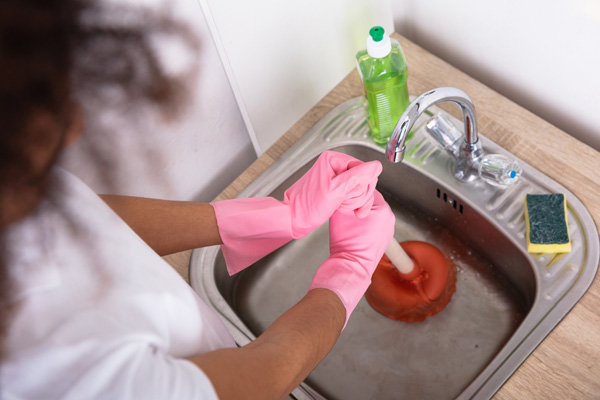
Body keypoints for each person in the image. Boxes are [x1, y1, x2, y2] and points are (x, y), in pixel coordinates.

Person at [0, 0, 395, 399]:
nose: (75, 122)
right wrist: (349, 269)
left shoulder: (15, 175)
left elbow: (89, 216)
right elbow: (262, 378)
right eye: (53, 104)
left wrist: (279, 217)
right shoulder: (66, 377)